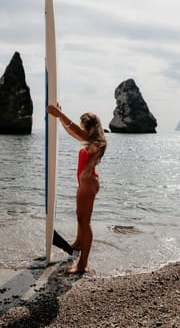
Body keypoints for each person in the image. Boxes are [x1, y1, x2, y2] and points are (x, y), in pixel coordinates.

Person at [47, 104, 107, 274]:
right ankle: (78, 243)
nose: (80, 128)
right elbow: (73, 132)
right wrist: (59, 118)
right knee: (80, 217)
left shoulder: (97, 142)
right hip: (85, 183)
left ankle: (82, 264)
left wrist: (61, 114)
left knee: (84, 221)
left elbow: (77, 132)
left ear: (88, 126)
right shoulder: (90, 140)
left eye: (82, 125)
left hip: (88, 184)